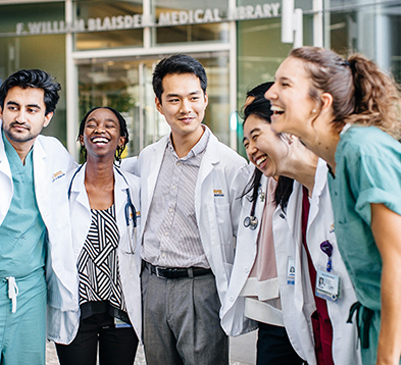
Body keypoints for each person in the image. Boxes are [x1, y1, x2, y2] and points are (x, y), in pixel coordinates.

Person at [265, 46, 401, 364]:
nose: (271, 92)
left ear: (321, 103)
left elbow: (398, 261)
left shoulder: (363, 151)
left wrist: (387, 357)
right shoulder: (334, 162)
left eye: (285, 84)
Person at [223, 90, 360, 365]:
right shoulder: (296, 195)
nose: (250, 150)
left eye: (256, 137)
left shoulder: (347, 177)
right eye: (246, 142)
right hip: (317, 329)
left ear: (289, 129)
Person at [129, 54, 249, 365]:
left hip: (200, 289)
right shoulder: (148, 156)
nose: (186, 108)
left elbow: (243, 237)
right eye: (174, 99)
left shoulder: (231, 166)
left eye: (193, 97)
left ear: (205, 99)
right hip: (151, 285)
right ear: (159, 105)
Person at [0, 69, 78, 364]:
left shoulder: (54, 152)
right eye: (12, 107)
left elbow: (88, 185)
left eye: (32, 109)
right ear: (0, 110)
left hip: (30, 289)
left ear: (47, 116)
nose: (20, 117)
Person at [53, 106, 141, 365]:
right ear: (82, 137)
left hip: (122, 311)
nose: (100, 129)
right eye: (91, 124)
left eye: (110, 125)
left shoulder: (135, 189)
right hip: (76, 310)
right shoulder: (62, 188)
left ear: (121, 139)